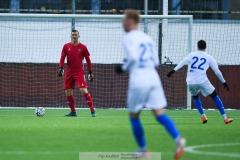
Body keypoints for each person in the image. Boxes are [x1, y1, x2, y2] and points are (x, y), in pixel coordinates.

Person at [115, 9, 185, 160]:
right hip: (153, 77)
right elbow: (156, 62)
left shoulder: (128, 37)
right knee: (159, 113)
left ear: (130, 21)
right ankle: (179, 140)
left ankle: (143, 149)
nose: (122, 23)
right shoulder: (147, 38)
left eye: (123, 20)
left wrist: (122, 68)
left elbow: (133, 58)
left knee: (134, 115)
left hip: (139, 79)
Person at [167, 40, 233, 124]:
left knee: (195, 97)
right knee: (214, 96)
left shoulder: (191, 55)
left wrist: (173, 71)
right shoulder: (209, 57)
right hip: (202, 80)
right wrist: (224, 82)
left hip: (190, 81)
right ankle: (225, 118)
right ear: (205, 47)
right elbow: (217, 71)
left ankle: (203, 117)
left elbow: (182, 62)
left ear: (197, 46)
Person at [58, 30, 95, 117]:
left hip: (79, 72)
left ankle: (92, 110)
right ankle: (73, 112)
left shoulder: (83, 47)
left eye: (76, 35)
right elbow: (62, 58)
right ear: (70, 36)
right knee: (68, 91)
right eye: (73, 35)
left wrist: (90, 71)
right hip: (69, 72)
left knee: (83, 90)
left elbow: (88, 60)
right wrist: (60, 67)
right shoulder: (66, 46)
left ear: (79, 36)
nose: (74, 36)